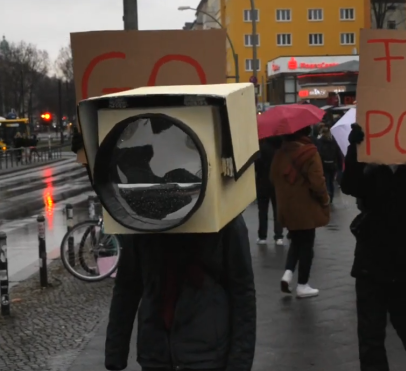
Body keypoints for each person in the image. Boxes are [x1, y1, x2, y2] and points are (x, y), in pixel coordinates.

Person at [71, 130, 257, 371]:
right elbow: (128, 285)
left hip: (204, 354)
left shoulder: (224, 218)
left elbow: (242, 290)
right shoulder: (143, 218)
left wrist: (239, 363)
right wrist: (115, 353)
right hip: (158, 351)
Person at [341, 124, 406, 371]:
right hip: (371, 268)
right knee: (370, 340)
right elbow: (349, 185)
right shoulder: (368, 173)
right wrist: (354, 149)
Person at [270, 125, 330, 299]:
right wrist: (325, 200)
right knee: (307, 245)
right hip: (306, 208)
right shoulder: (310, 152)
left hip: (287, 208)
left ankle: (288, 274)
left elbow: (272, 177)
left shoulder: (280, 153)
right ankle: (303, 285)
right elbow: (318, 182)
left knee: (296, 241)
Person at [255, 136, 284, 245]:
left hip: (262, 183)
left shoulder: (261, 148)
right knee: (277, 210)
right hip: (277, 183)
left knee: (262, 211)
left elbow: (256, 166)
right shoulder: (281, 149)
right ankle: (279, 236)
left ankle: (262, 236)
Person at [316, 127, 342, 203]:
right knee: (331, 181)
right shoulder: (333, 141)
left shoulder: (319, 142)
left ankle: (328, 195)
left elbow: (318, 153)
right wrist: (339, 166)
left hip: (324, 164)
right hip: (333, 165)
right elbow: (338, 154)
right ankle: (331, 196)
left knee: (326, 180)